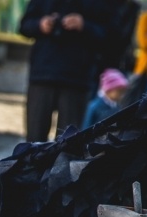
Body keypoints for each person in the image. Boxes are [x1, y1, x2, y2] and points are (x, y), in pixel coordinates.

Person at [18, 0, 117, 142]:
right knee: (34, 140)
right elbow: (24, 26)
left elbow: (112, 36)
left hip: (77, 78)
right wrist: (40, 24)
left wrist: (84, 25)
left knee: (69, 143)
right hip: (42, 74)